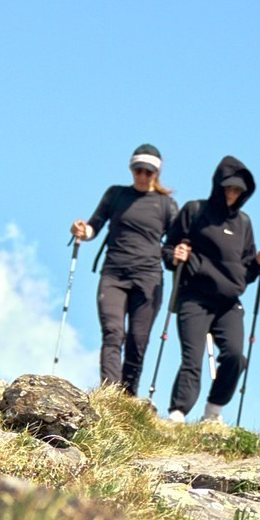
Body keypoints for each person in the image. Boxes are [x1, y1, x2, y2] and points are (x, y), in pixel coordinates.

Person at [161, 156, 260, 423]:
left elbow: (245, 269)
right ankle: (178, 413)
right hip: (195, 297)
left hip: (228, 302)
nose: (232, 194)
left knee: (236, 356)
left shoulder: (244, 223)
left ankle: (213, 411)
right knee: (192, 358)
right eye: (228, 188)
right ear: (218, 186)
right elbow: (169, 249)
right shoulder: (194, 211)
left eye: (238, 191)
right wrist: (175, 255)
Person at [71, 144, 178, 397]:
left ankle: (128, 398)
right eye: (138, 170)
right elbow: (93, 227)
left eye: (148, 172)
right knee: (112, 332)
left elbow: (174, 244)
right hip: (114, 274)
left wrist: (180, 254)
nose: (142, 176)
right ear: (131, 169)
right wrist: (81, 231)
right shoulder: (116, 195)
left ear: (156, 173)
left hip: (149, 278)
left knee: (137, 341)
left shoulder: (166, 205)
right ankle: (110, 395)